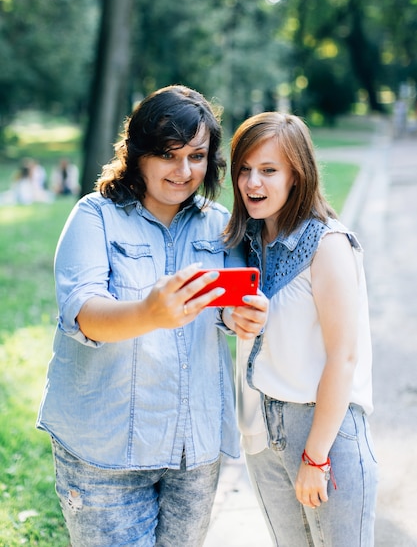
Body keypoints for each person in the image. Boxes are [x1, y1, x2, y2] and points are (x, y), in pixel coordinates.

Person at [36, 85, 267, 547]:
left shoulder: (219, 223)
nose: (184, 172)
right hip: (105, 450)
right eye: (168, 154)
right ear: (139, 154)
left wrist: (243, 320)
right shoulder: (94, 217)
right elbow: (82, 315)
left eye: (197, 156)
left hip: (193, 448)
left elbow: (230, 307)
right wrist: (148, 312)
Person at [223, 111, 378, 546]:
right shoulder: (247, 244)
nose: (253, 183)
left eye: (269, 171)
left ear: (298, 175)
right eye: (244, 170)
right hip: (264, 436)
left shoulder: (327, 245)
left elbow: (343, 357)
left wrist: (316, 456)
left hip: (326, 435)